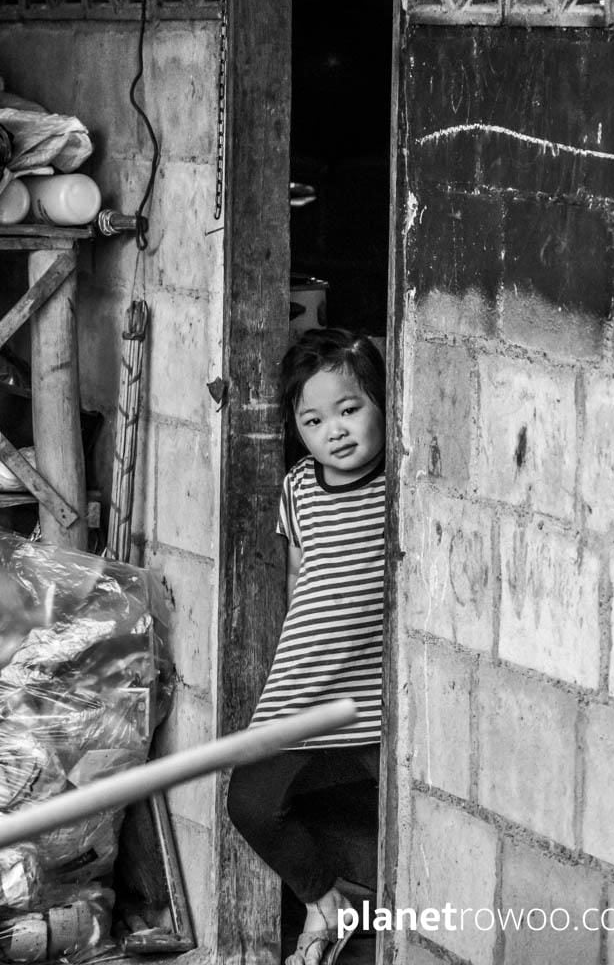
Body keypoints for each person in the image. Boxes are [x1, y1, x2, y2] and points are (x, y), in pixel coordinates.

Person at [227, 328, 386, 965]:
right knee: (252, 803)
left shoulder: (401, 485)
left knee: (404, 819)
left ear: (382, 402)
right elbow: (299, 580)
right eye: (314, 419)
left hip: (378, 694)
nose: (335, 431)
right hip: (308, 685)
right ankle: (326, 905)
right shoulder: (299, 488)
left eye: (350, 410)